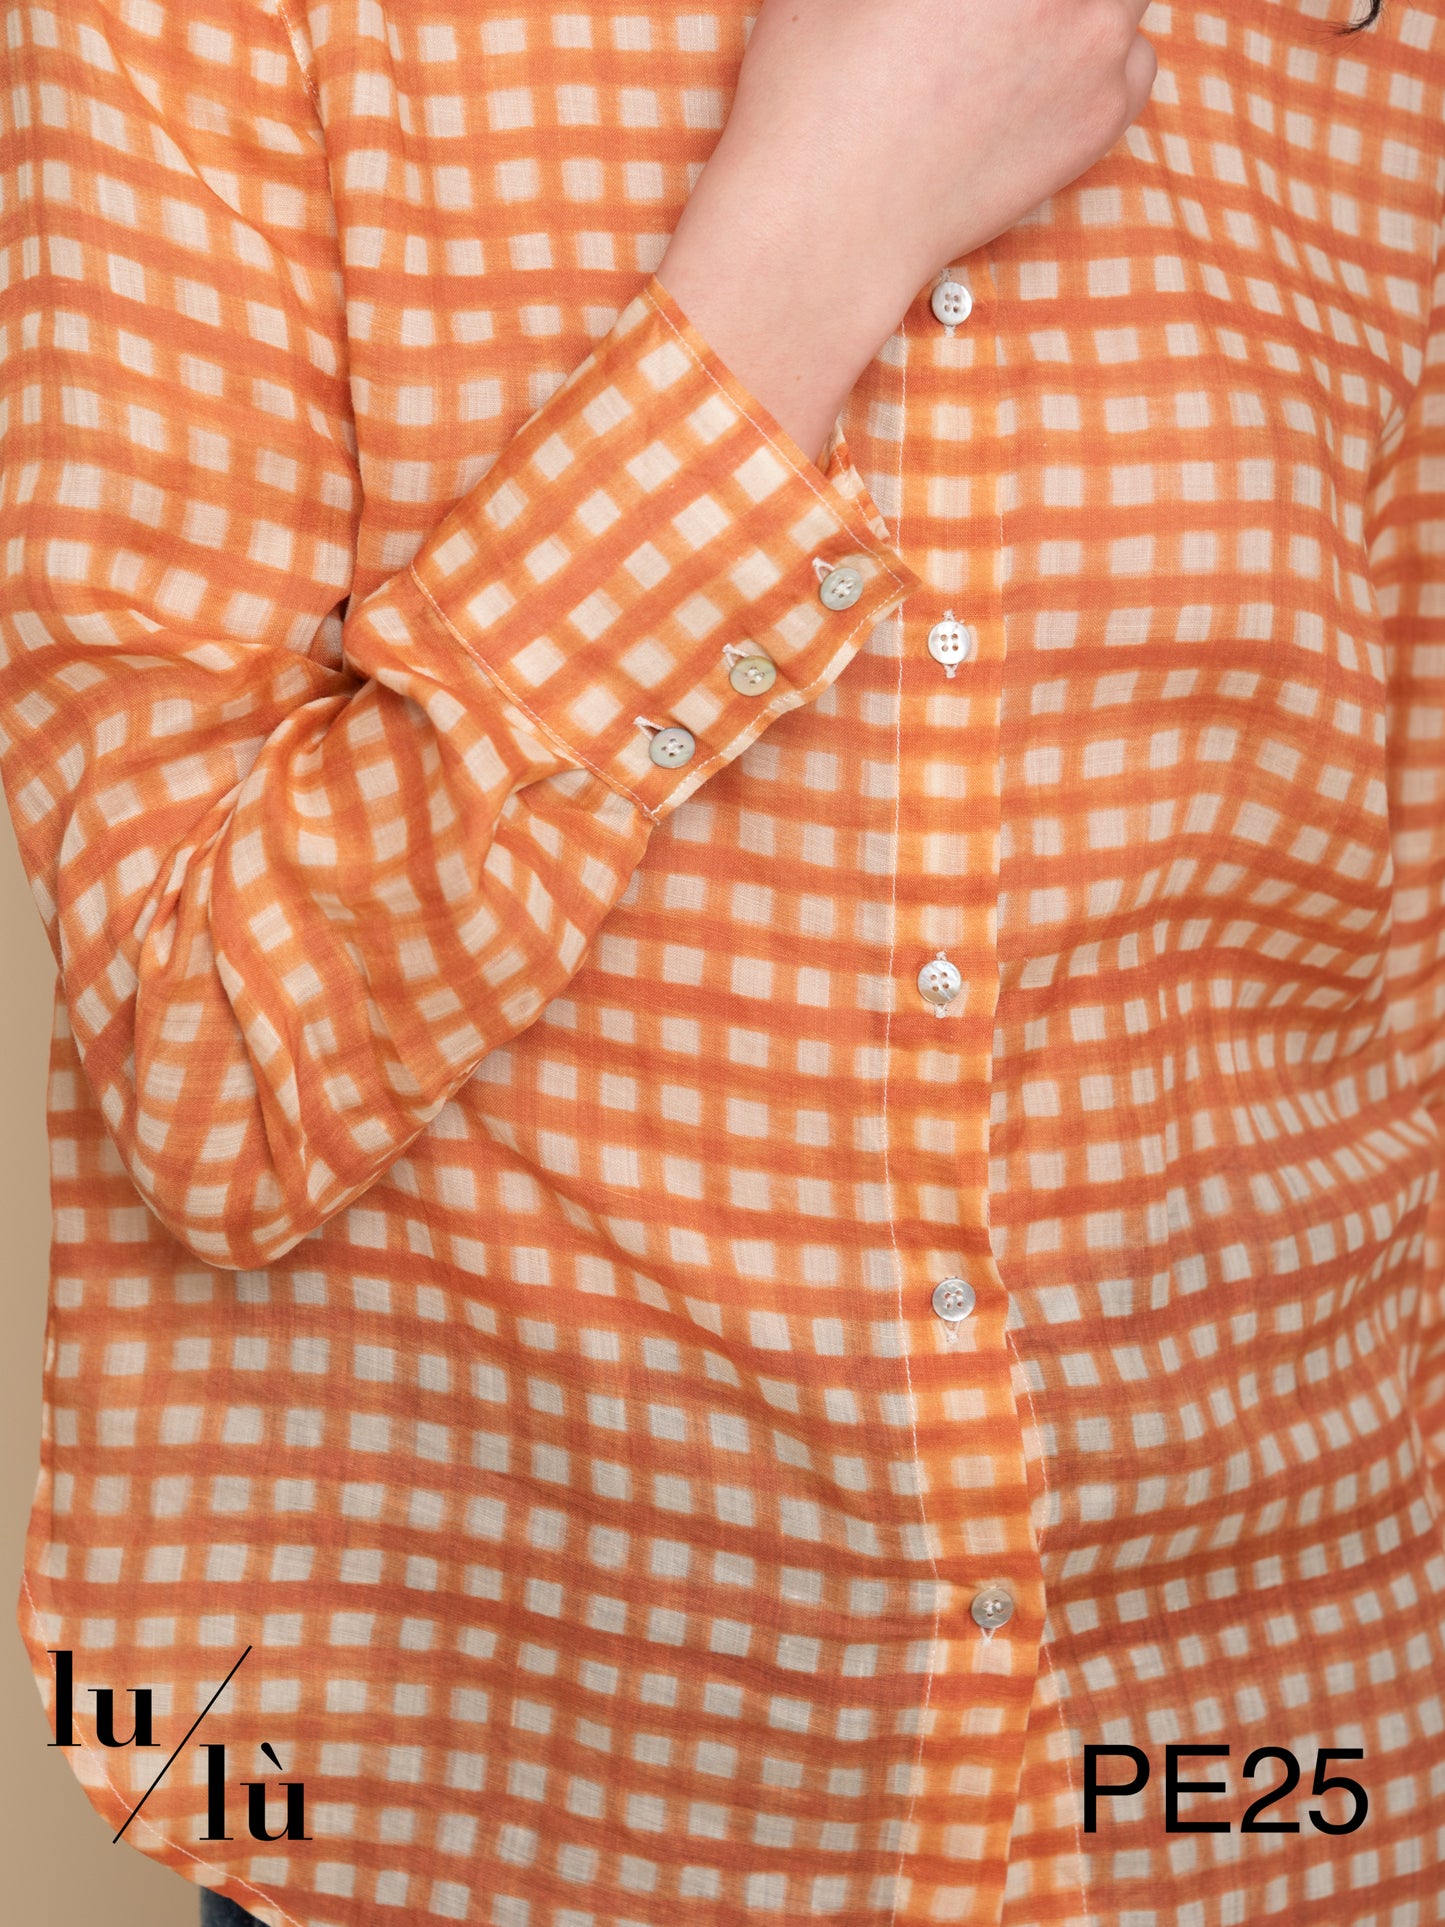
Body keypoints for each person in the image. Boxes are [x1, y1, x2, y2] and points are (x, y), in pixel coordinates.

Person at [5, 0, 1444, 1923]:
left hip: (1278, 1763)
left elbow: (1392, 981)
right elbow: (209, 1067)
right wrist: (813, 235)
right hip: (485, 1799)